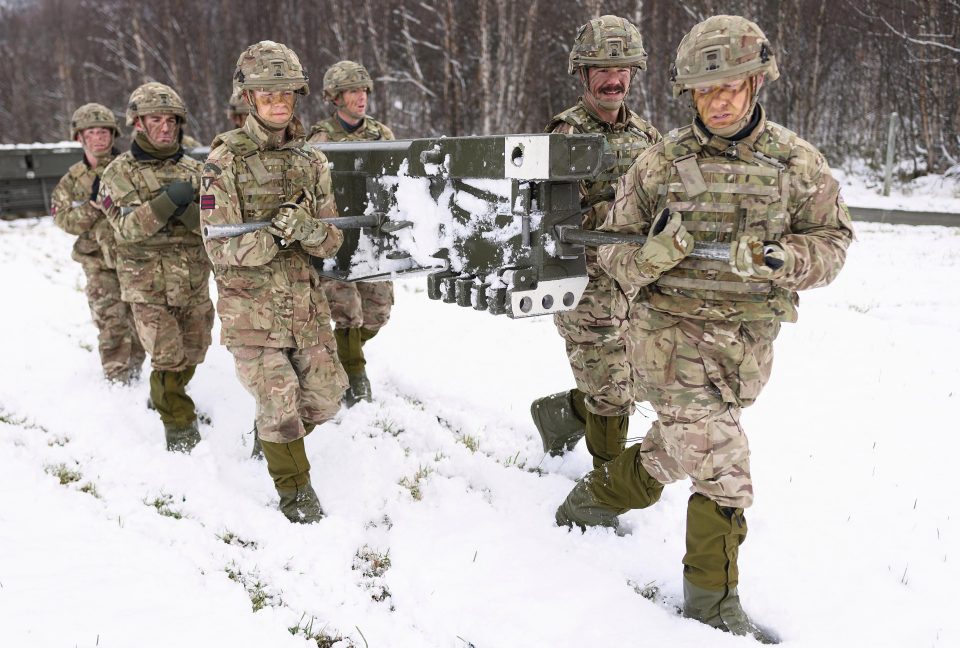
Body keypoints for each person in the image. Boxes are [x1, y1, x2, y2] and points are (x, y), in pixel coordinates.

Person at [554, 15, 854, 642]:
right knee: (723, 465)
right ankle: (713, 604)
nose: (718, 101)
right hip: (665, 335)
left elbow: (832, 242)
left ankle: (598, 497)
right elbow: (607, 245)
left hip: (746, 345)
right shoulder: (662, 163)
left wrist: (786, 261)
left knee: (673, 449)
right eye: (704, 89)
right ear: (688, 93)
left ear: (756, 84)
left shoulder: (796, 163)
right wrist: (650, 257)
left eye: (731, 87)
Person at [201, 41, 347, 524]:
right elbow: (220, 251)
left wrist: (309, 231)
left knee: (326, 399)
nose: (279, 102)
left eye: (286, 92)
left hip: (306, 309)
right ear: (249, 98)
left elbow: (331, 242)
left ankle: (271, 430)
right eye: (268, 94)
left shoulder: (312, 160)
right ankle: (295, 490)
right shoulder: (223, 164)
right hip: (252, 316)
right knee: (281, 402)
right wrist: (276, 237)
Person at [530, 15, 660, 468]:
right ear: (583, 74)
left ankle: (560, 414)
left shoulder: (647, 136)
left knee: (639, 375)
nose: (614, 79)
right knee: (612, 391)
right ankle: (605, 488)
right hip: (585, 281)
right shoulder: (564, 134)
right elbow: (551, 214)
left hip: (637, 281)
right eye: (603, 69)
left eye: (623, 68)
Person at [98, 82, 213, 452]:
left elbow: (216, 226)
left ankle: (168, 392)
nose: (165, 127)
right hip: (146, 284)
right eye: (155, 120)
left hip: (193, 280)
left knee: (195, 350)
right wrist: (167, 203)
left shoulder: (198, 169)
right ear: (137, 124)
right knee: (166, 355)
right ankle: (179, 426)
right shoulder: (118, 173)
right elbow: (128, 229)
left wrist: (189, 212)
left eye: (171, 120)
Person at [308, 60, 395, 406]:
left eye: (363, 90)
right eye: (352, 92)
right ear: (335, 97)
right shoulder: (321, 138)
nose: (361, 98)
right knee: (346, 312)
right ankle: (355, 376)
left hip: (372, 237)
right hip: (337, 237)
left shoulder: (380, 134)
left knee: (378, 313)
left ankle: (340, 353)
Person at [51, 103, 146, 384]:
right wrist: (94, 207)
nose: (99, 137)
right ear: (79, 137)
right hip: (97, 264)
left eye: (104, 131)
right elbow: (63, 219)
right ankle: (117, 378)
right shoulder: (72, 181)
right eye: (92, 132)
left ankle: (137, 372)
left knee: (139, 320)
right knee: (110, 322)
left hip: (134, 258)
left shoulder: (130, 168)